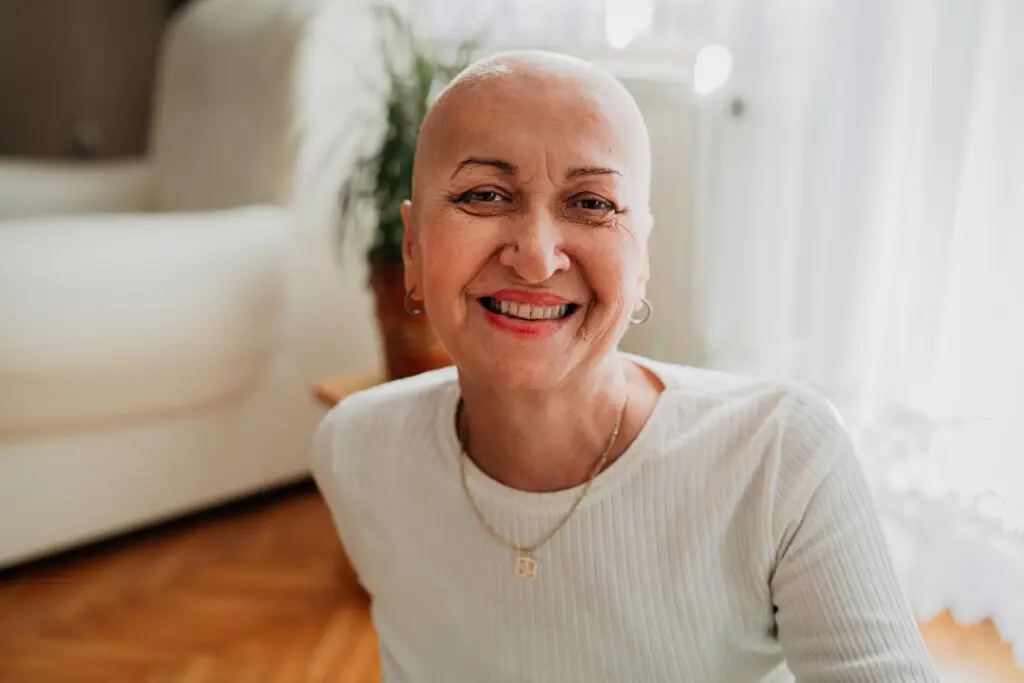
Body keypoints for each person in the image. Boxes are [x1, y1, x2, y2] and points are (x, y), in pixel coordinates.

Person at [311, 50, 940, 682]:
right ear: (413, 248)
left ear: (641, 260)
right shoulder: (355, 449)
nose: (535, 257)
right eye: (484, 194)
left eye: (591, 204)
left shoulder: (778, 458)